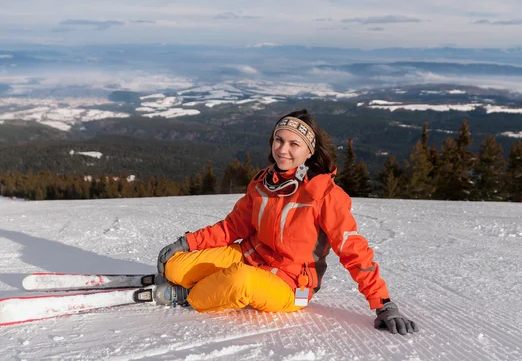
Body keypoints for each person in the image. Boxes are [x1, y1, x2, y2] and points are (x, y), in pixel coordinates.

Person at [153, 109, 418, 335]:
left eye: (294, 144)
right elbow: (233, 227)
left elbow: (354, 251)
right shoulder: (263, 183)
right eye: (279, 140)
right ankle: (207, 285)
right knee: (175, 268)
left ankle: (190, 297)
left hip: (291, 284)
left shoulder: (325, 195)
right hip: (250, 255)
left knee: (240, 280)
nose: (283, 149)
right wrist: (187, 242)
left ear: (309, 151)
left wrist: (383, 304)